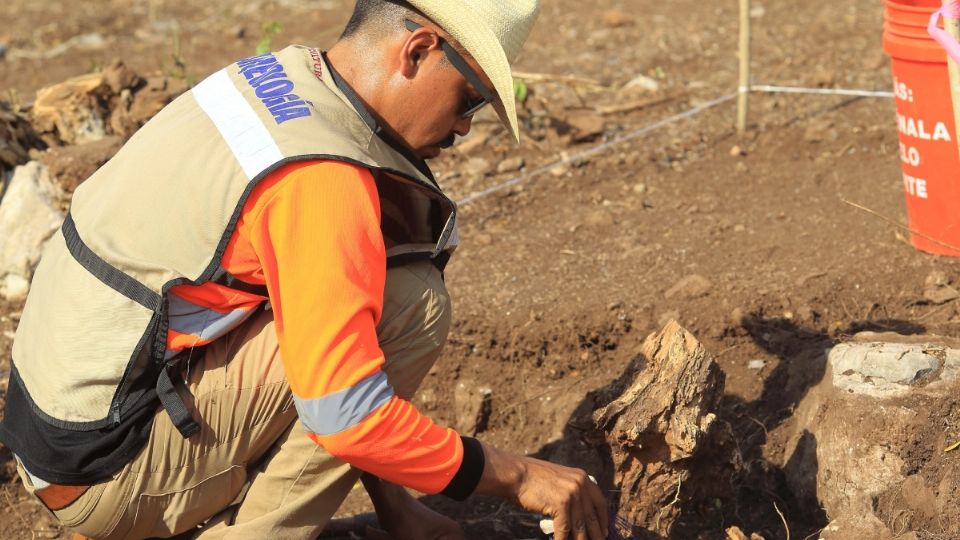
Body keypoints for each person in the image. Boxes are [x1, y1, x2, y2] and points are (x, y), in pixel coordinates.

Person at [0, 1, 610, 539]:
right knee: (411, 306)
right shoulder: (321, 180)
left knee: (369, 300)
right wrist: (520, 474)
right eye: (469, 98)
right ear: (418, 51)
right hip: (101, 469)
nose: (463, 126)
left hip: (59, 425)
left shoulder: (275, 77)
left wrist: (397, 508)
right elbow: (349, 416)